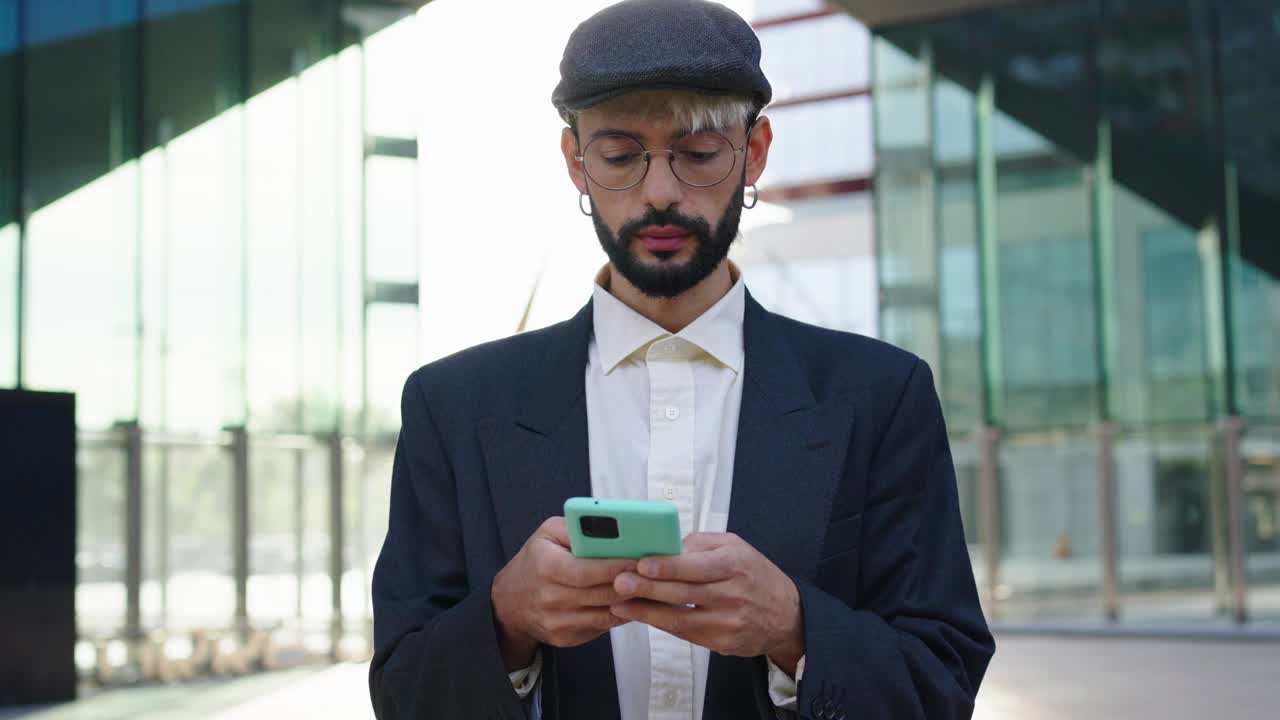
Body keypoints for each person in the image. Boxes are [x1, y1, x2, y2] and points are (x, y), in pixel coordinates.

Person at [367, 1, 994, 718]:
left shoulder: (883, 397)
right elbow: (400, 693)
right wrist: (505, 620)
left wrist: (794, 629)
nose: (660, 192)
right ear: (576, 162)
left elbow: (942, 684)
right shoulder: (452, 408)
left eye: (698, 154)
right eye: (620, 156)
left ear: (754, 152)